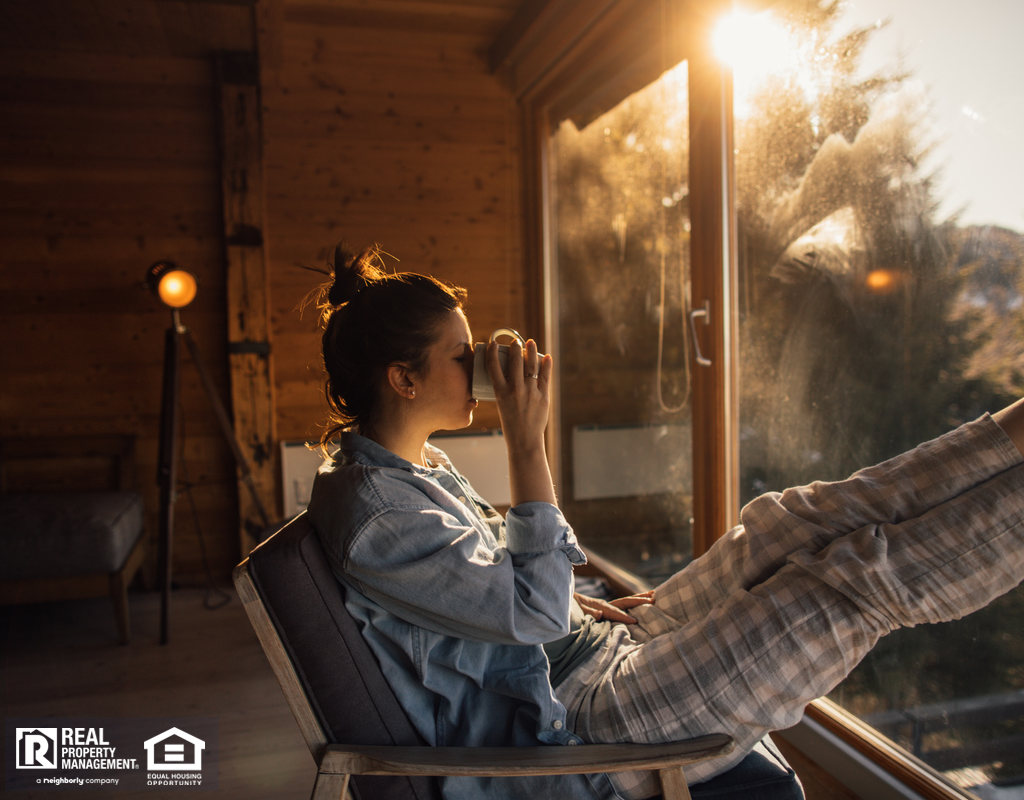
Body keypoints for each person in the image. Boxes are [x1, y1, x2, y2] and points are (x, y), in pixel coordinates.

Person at [305, 244, 1024, 800]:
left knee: (785, 522)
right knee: (839, 591)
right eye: (463, 358)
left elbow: (483, 589)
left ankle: (1014, 433)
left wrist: (576, 605)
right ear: (403, 379)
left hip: (578, 654)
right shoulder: (377, 518)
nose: (482, 369)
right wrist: (529, 443)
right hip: (571, 729)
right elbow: (527, 603)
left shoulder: (405, 466)